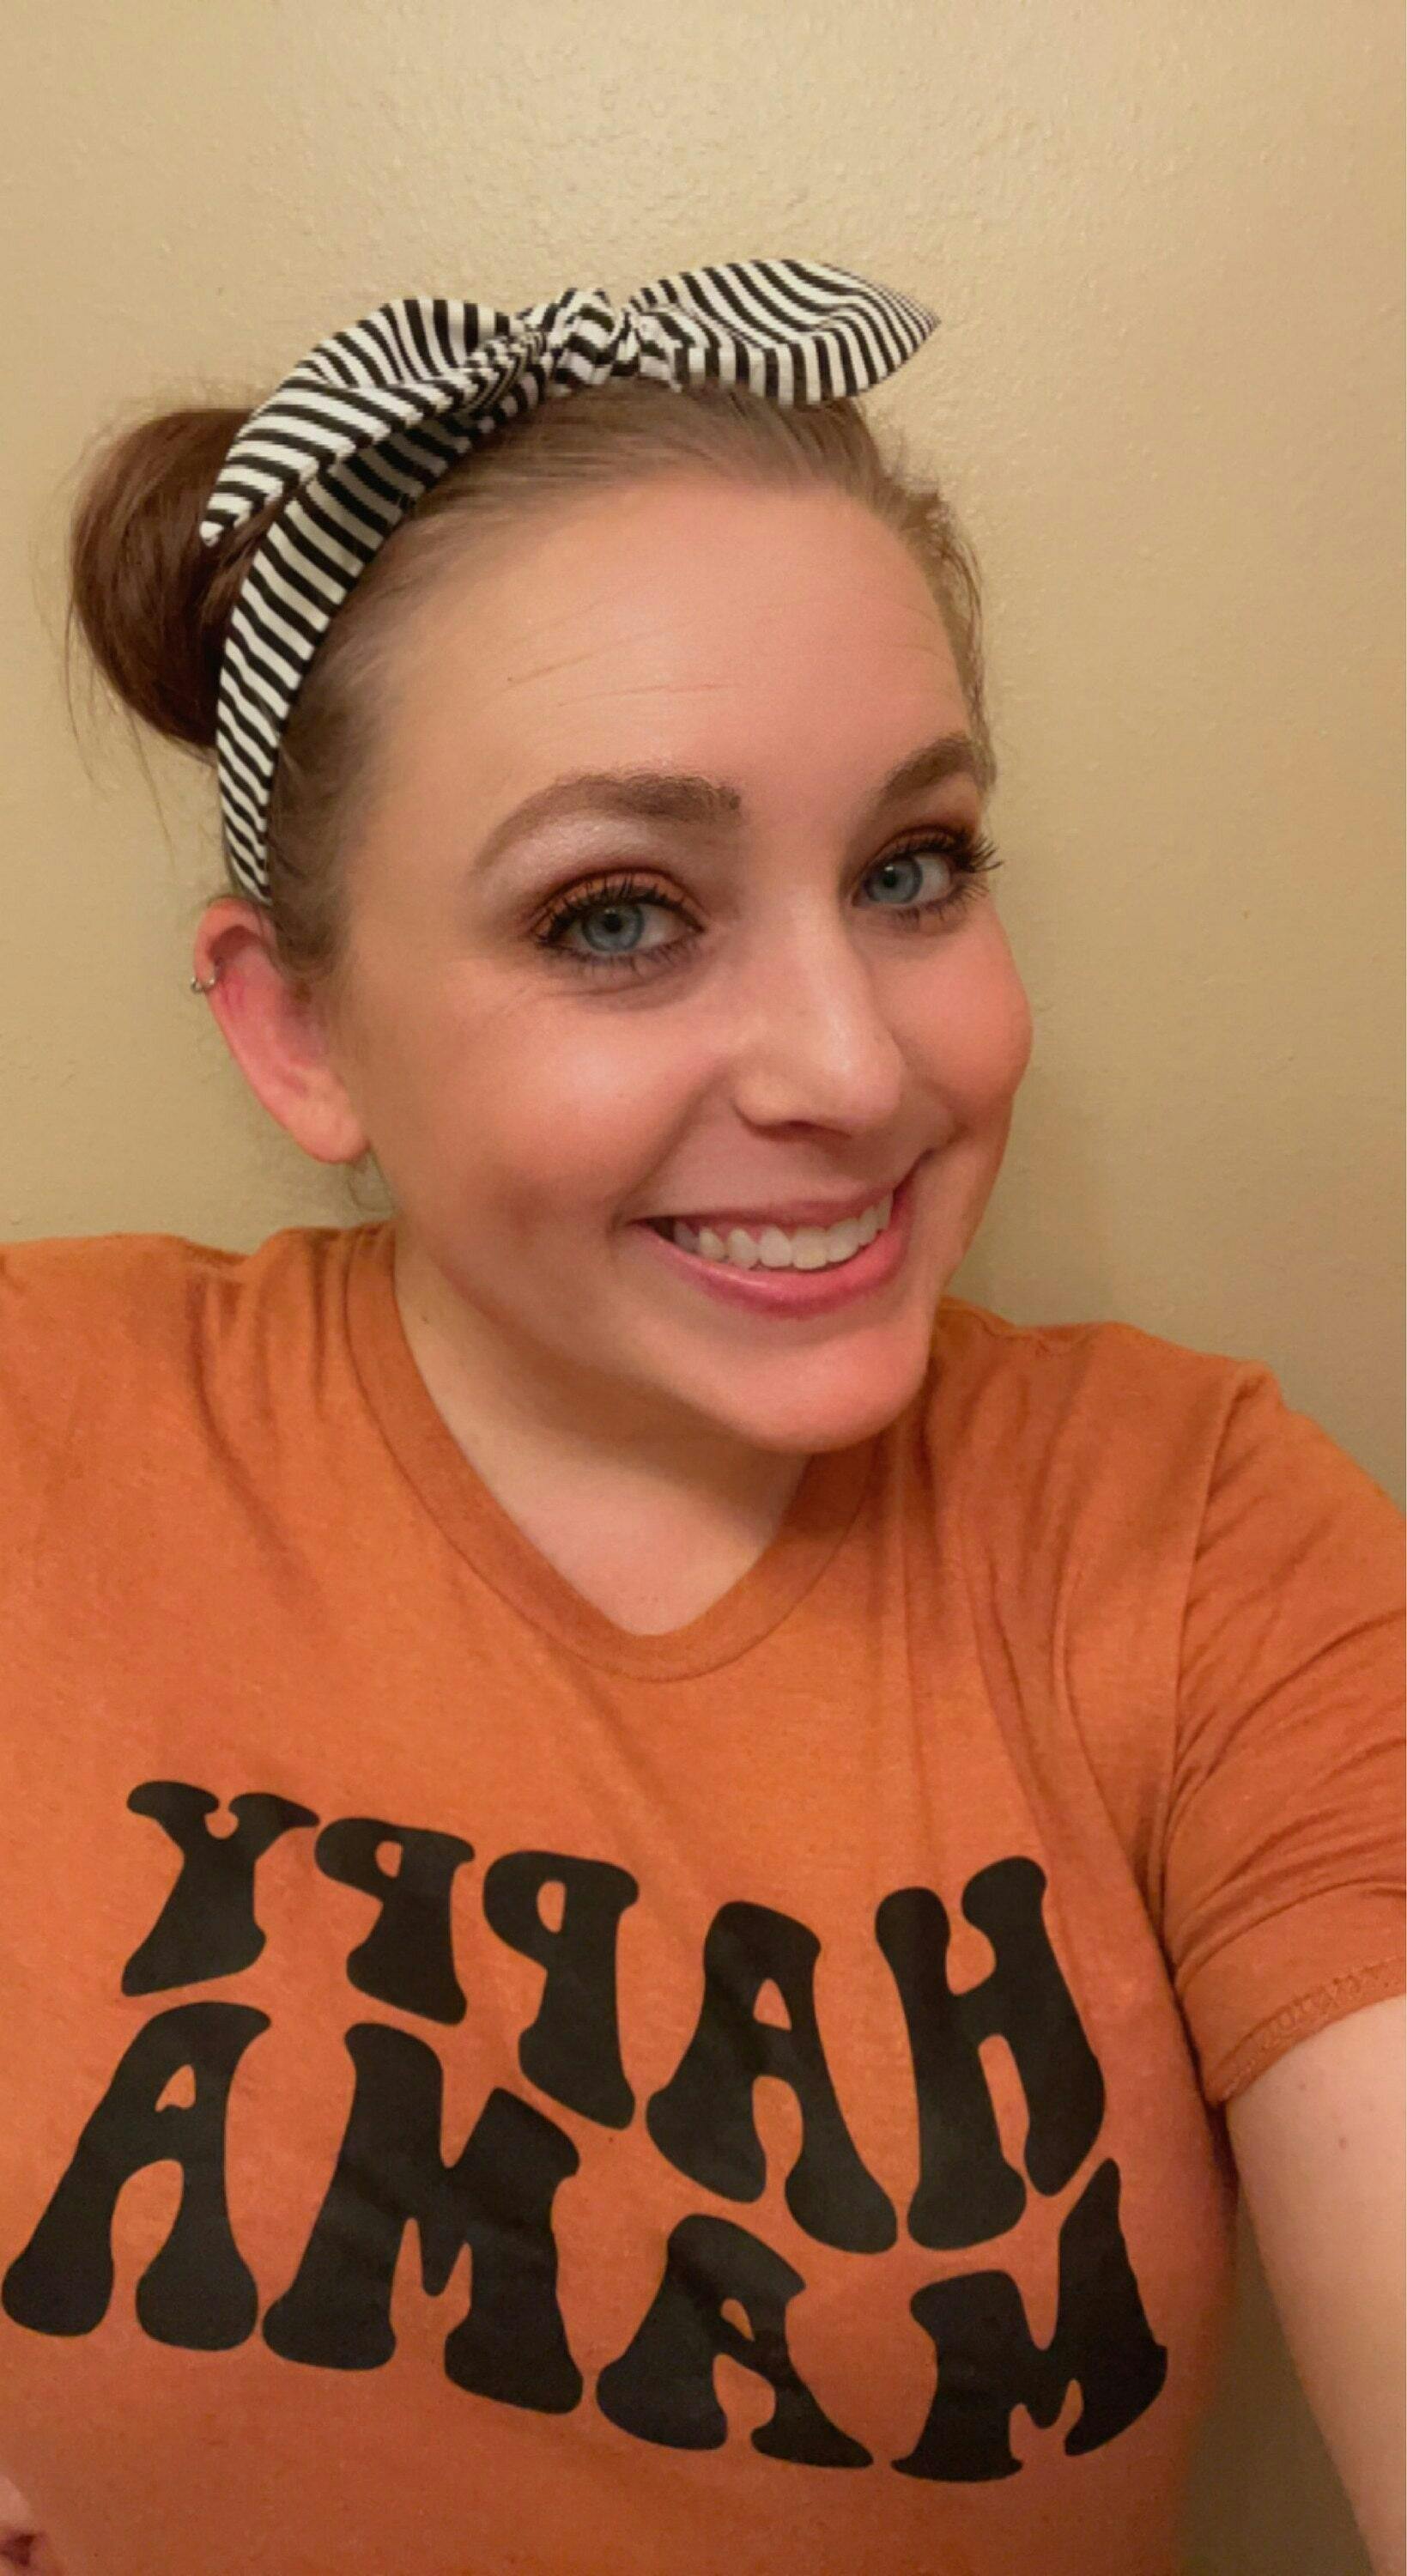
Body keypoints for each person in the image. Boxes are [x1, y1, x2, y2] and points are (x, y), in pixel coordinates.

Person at [0, 261, 1401, 2576]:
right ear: (298, 1031)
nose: (857, 1068)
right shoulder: (45, 1429)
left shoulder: (1200, 1547)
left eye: (911, 871)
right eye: (618, 917)